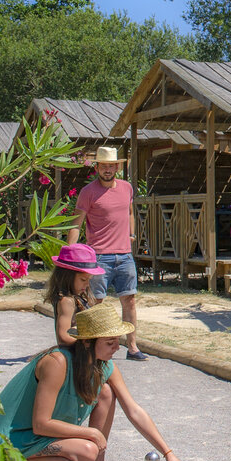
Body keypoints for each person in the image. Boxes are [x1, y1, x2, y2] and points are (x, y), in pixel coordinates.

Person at [0, 303, 185, 461]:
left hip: (39, 434)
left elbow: (133, 410)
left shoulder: (105, 366)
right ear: (87, 342)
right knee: (87, 450)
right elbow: (41, 423)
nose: (117, 348)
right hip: (10, 437)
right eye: (109, 342)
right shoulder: (57, 362)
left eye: (117, 341)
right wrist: (92, 433)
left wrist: (168, 453)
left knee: (106, 392)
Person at [67, 146, 147, 361]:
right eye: (104, 165)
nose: (108, 169)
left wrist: (131, 234)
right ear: (97, 167)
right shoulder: (88, 192)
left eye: (111, 165)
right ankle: (90, 349)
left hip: (125, 255)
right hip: (99, 256)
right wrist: (69, 254)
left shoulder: (126, 188)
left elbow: (129, 211)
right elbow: (77, 223)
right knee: (95, 304)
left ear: (117, 167)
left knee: (129, 300)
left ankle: (132, 347)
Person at [45, 243, 101, 346]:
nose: (87, 284)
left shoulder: (76, 298)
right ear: (67, 277)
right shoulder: (67, 301)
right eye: (83, 279)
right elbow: (63, 336)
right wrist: (90, 344)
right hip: (74, 354)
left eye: (89, 280)